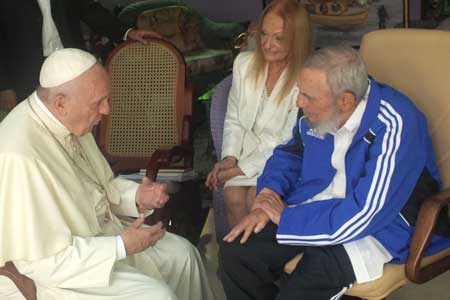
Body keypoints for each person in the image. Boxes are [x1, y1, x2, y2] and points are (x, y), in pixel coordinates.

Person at [220, 45, 450, 300]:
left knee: (306, 283)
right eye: (300, 91)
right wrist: (268, 195)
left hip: (379, 226)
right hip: (315, 204)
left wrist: (287, 218)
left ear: (346, 101)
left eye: (308, 96)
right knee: (237, 253)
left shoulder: (396, 123)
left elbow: (365, 212)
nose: (299, 102)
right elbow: (291, 154)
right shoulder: (317, 108)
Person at [0, 48, 215, 300]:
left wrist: (138, 196)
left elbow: (100, 187)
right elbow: (42, 263)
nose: (106, 111)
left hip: (101, 240)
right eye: (98, 103)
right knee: (156, 296)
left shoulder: (68, 120)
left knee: (183, 256)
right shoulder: (18, 156)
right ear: (60, 103)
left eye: (107, 99)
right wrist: (121, 246)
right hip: (56, 275)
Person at [205, 0, 313, 227]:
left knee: (257, 198)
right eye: (263, 34)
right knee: (232, 197)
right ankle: (239, 256)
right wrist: (229, 159)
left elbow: (288, 139)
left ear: (296, 39)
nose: (267, 44)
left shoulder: (308, 76)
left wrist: (238, 170)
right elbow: (233, 118)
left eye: (278, 38)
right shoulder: (243, 64)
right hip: (245, 155)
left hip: (283, 159)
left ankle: (261, 259)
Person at [0, 0, 160, 105]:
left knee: (79, 124)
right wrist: (4, 86)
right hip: (24, 73)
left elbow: (89, 9)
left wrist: (127, 32)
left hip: (71, 64)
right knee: (34, 131)